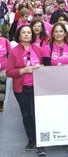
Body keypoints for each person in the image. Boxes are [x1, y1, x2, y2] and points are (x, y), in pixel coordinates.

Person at [6, 25, 45, 155]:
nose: (27, 34)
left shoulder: (38, 49)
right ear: (19, 35)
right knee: (27, 115)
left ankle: (41, 142)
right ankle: (31, 140)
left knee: (37, 115)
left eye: (29, 32)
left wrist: (41, 67)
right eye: (24, 32)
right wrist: (23, 70)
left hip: (37, 87)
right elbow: (9, 72)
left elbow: (45, 66)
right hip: (21, 89)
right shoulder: (14, 51)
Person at [42, 22, 68, 155]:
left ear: (65, 33)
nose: (58, 34)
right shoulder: (48, 48)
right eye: (56, 31)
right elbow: (45, 69)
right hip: (54, 86)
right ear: (52, 34)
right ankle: (57, 137)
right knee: (56, 112)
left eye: (61, 31)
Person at [0, 27, 11, 111]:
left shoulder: (4, 40)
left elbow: (10, 53)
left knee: (2, 87)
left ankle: (1, 104)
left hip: (3, 69)